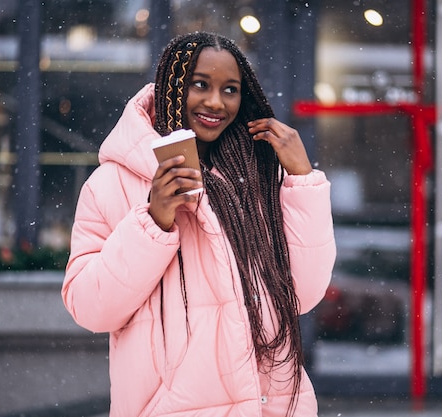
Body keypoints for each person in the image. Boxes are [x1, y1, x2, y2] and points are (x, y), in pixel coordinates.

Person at [62, 31, 336, 417]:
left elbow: (303, 294)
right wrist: (153, 222)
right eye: (200, 84)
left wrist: (302, 178)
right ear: (173, 86)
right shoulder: (112, 184)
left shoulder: (257, 177)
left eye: (230, 89)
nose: (215, 102)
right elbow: (90, 308)